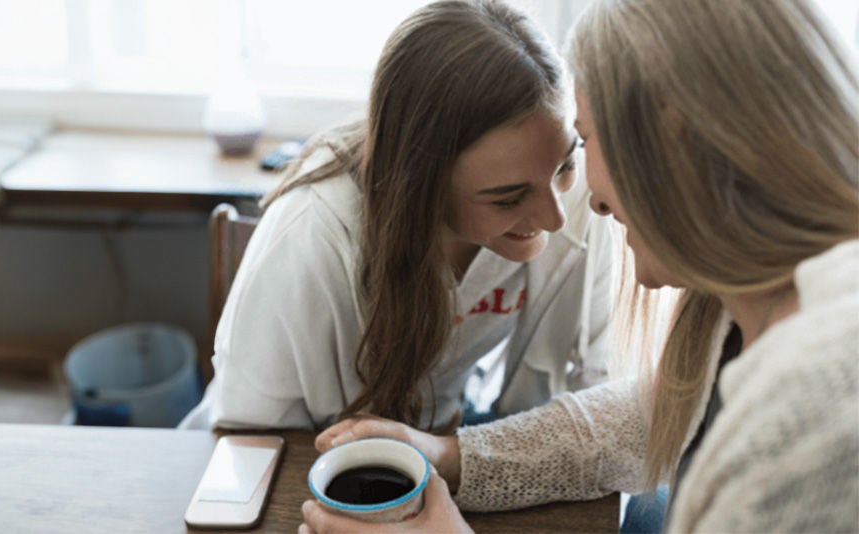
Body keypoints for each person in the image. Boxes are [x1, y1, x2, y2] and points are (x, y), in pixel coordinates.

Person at [301, 0, 859, 532]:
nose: (590, 201)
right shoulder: (745, 311)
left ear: (680, 153)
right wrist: (452, 456)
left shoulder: (813, 413)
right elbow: (655, 416)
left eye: (587, 145)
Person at [179, 0, 614, 432]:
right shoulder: (306, 240)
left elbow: (606, 389)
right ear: (420, 184)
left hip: (442, 436)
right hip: (289, 454)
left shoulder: (579, 198)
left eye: (566, 165)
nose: (555, 218)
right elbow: (251, 442)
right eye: (508, 198)